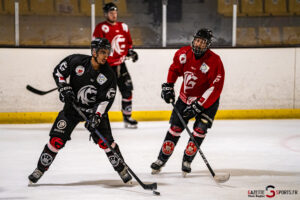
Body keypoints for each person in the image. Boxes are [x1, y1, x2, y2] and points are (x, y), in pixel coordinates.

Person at [28, 38, 132, 185]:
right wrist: (63, 86)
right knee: (56, 141)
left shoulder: (108, 75)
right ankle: (39, 169)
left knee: (106, 143)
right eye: (102, 52)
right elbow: (58, 72)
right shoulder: (76, 61)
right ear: (94, 52)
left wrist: (96, 117)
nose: (105, 56)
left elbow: (105, 100)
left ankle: (122, 169)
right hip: (72, 109)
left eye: (107, 52)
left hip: (94, 111)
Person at [150, 28, 225, 177]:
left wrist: (199, 105)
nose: (198, 44)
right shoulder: (183, 54)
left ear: (208, 44)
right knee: (175, 129)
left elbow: (215, 88)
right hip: (185, 99)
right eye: (197, 40)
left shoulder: (214, 61)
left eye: (202, 42)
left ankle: (187, 161)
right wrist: (169, 86)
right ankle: (161, 159)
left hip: (207, 103)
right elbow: (174, 69)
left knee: (200, 130)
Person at [93, 2, 139, 129]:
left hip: (121, 66)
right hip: (106, 67)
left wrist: (131, 52)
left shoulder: (123, 26)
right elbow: (95, 46)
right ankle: (96, 118)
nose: (114, 15)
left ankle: (127, 117)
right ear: (106, 14)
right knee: (102, 93)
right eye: (111, 13)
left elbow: (129, 43)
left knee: (127, 90)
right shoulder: (101, 28)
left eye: (115, 12)